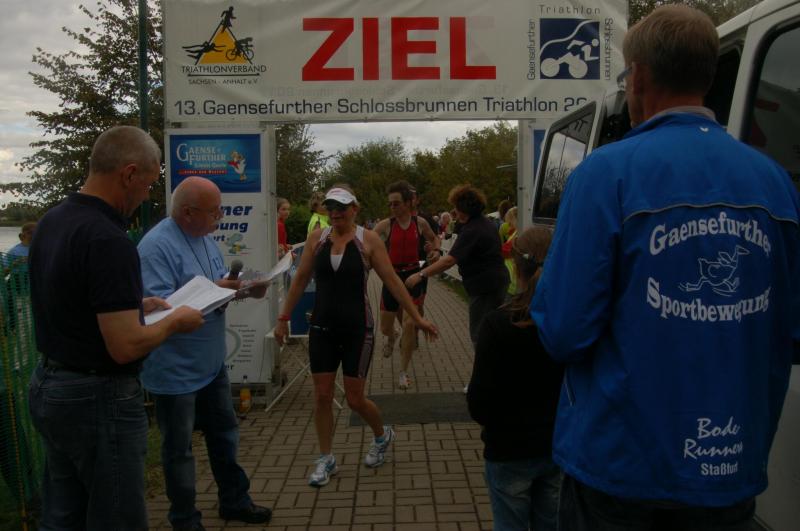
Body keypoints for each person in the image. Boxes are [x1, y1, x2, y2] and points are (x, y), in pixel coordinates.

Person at [530, 5, 800, 530]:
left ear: (639, 77)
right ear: (706, 77)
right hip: (731, 469)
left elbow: (563, 331)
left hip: (621, 469)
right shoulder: (774, 181)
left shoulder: (604, 174)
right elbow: (790, 331)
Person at [27, 126, 205, 531]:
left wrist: (133, 306)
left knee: (62, 516)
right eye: (148, 184)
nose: (146, 195)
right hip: (98, 399)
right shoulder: (108, 238)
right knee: (117, 519)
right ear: (128, 174)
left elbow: (69, 299)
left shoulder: (54, 221)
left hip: (50, 387)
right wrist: (175, 321)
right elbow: (125, 346)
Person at [274, 185, 438, 487]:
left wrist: (417, 318)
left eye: (341, 207)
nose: (335, 212)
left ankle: (381, 435)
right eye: (331, 207)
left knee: (355, 399)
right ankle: (326, 458)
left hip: (357, 329)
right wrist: (283, 318)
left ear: (354, 209)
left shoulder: (368, 240)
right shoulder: (317, 239)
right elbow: (299, 280)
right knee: (322, 396)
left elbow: (393, 282)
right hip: (321, 327)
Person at [137, 176, 271, 530]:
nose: (220, 217)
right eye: (214, 211)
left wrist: (245, 289)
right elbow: (159, 308)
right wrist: (218, 288)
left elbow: (216, 288)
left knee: (225, 434)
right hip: (175, 371)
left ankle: (234, 500)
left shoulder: (206, 239)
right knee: (179, 450)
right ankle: (184, 519)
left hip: (211, 364)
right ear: (187, 212)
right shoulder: (155, 247)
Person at [468, 227, 563, 531]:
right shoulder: (571, 321)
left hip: (507, 449)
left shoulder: (498, 324)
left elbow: (479, 403)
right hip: (557, 447)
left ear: (515, 267)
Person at [406, 184, 509, 392]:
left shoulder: (473, 230)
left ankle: (482, 382)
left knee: (479, 334)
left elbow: (449, 261)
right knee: (491, 332)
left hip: (484, 287)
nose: (455, 212)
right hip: (494, 283)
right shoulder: (484, 224)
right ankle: (494, 377)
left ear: (465, 209)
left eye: (457, 208)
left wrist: (421, 274)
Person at [373, 180, 440, 389]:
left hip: (414, 275)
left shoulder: (420, 223)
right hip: (392, 277)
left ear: (408, 203)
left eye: (396, 203)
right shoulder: (385, 225)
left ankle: (403, 372)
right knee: (385, 327)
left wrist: (436, 250)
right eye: (390, 204)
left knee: (410, 323)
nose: (392, 207)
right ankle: (392, 336)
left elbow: (434, 238)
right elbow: (366, 243)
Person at [500, 207, 518, 296]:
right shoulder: (515, 232)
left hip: (513, 280)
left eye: (510, 222)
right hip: (511, 276)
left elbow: (506, 251)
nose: (509, 225)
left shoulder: (518, 234)